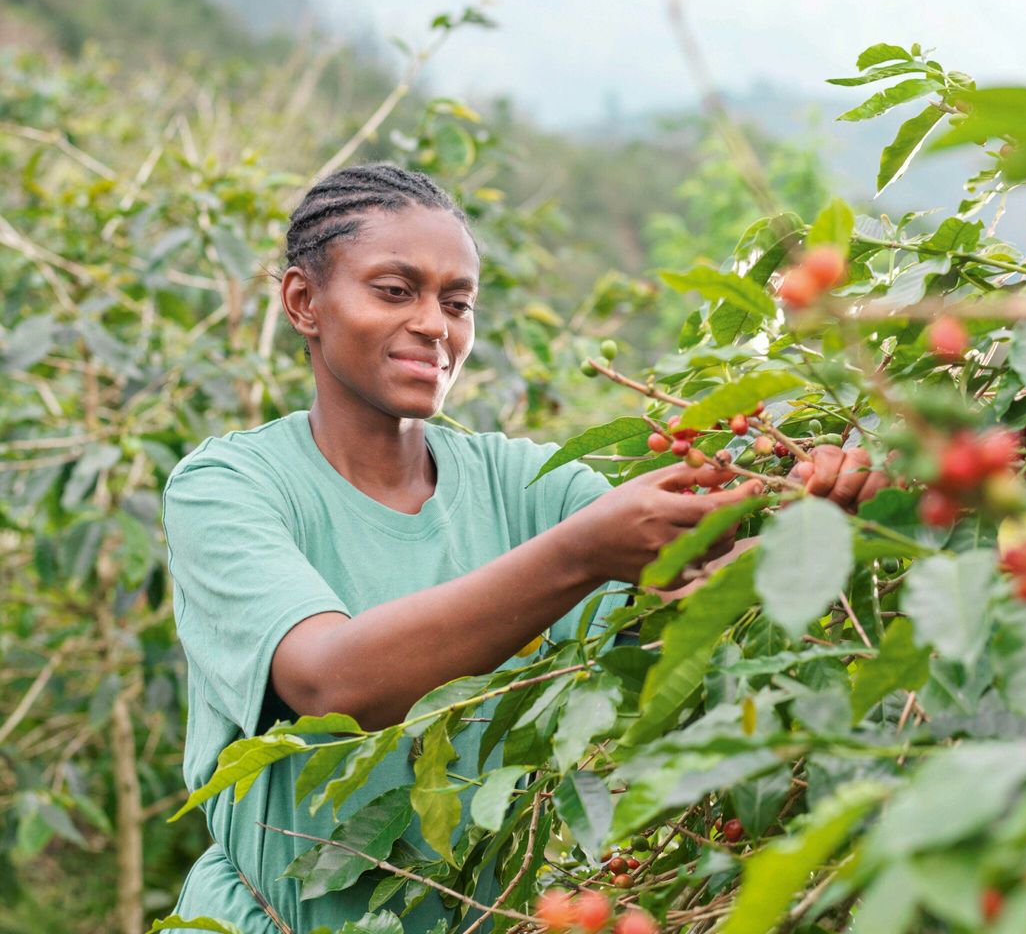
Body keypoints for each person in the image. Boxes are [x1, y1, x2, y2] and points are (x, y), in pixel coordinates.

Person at [161, 163, 885, 933]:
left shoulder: (522, 482)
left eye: (457, 301)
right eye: (394, 290)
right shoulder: (228, 486)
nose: (435, 325)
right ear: (303, 302)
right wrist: (580, 554)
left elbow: (686, 583)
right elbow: (330, 684)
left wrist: (803, 508)